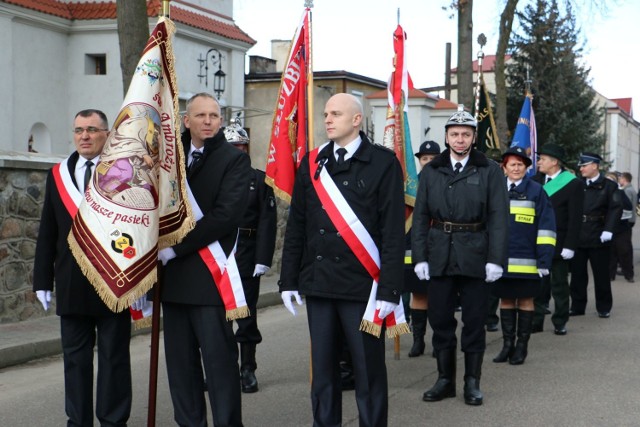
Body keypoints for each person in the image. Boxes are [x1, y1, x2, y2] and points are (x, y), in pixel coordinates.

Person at [280, 93, 405, 426]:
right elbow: (298, 226)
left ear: (356, 119)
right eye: (325, 114)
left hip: (362, 288)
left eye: (336, 113)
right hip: (320, 285)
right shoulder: (311, 162)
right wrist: (288, 279)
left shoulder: (382, 162)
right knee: (323, 373)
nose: (327, 119)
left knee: (368, 373)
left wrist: (390, 290)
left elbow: (392, 232)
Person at [33, 109, 134, 426]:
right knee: (75, 362)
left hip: (114, 283)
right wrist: (42, 280)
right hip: (71, 283)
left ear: (106, 134)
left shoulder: (126, 172)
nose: (84, 136)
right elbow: (47, 230)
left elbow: (138, 231)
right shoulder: (58, 174)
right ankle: (77, 422)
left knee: (114, 358)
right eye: (78, 130)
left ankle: (113, 420)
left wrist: (141, 282)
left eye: (92, 129)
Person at [157, 93, 251, 426]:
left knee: (220, 366)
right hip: (173, 282)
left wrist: (174, 248)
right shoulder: (169, 160)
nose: (208, 121)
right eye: (201, 115)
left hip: (209, 281)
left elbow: (224, 217)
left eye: (214, 115)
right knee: (181, 369)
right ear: (187, 120)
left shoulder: (233, 160)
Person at [412, 106, 509, 406]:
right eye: (454, 134)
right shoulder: (431, 171)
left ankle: (471, 382)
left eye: (465, 134)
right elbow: (420, 216)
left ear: (473, 137)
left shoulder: (489, 170)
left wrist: (496, 259)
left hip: (475, 254)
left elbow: (498, 217)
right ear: (446, 137)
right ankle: (444, 380)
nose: (459, 140)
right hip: (439, 252)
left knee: (474, 320)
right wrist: (420, 257)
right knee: (440, 319)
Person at [224, 118, 278, 393]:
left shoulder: (259, 180)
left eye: (241, 146)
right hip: (219, 257)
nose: (238, 151)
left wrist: (263, 258)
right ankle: (222, 369)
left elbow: (268, 221)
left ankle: (247, 370)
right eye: (232, 146)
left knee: (245, 315)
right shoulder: (213, 179)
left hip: (246, 255)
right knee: (219, 319)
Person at [492, 146, 556, 365]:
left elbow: (546, 227)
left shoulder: (537, 190)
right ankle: (507, 345)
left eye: (521, 164)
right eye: (512, 164)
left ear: (527, 168)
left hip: (528, 260)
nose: (516, 168)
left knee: (526, 301)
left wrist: (544, 259)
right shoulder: (496, 188)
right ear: (504, 167)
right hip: (501, 259)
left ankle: (522, 347)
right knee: (506, 300)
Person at [532, 143, 584, 335]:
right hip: (537, 241)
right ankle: (536, 320)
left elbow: (575, 217)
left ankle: (560, 321)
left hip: (559, 243)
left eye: (542, 159)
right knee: (538, 284)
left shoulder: (573, 183)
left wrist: (570, 245)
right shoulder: (535, 180)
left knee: (559, 285)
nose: (538, 162)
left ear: (554, 162)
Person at [570, 152, 622, 318]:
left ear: (595, 166)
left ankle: (604, 306)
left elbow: (615, 208)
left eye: (584, 165)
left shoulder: (609, 186)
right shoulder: (577, 184)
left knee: (601, 275)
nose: (581, 168)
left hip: (599, 235)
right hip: (578, 234)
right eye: (581, 166)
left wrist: (609, 229)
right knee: (577, 275)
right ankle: (578, 306)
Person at [405, 140, 440, 357]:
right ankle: (418, 341)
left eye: (432, 158)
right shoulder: (410, 186)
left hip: (439, 245)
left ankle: (439, 341)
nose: (427, 162)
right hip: (414, 247)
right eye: (424, 159)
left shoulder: (446, 180)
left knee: (438, 297)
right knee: (418, 295)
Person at [612, 172, 636, 282]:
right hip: (612, 226)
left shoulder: (624, 191)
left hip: (622, 226)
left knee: (624, 250)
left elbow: (629, 207)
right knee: (612, 252)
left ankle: (628, 274)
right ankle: (610, 274)